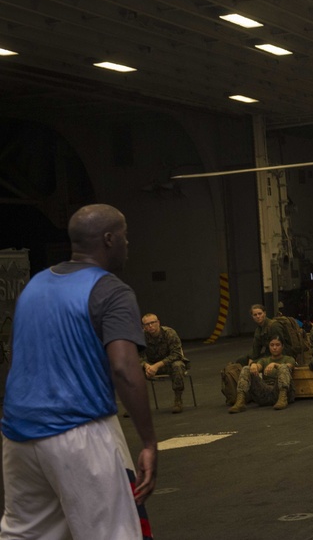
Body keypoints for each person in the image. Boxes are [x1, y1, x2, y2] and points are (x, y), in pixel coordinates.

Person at [1, 204, 156, 539]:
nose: (128, 245)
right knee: (111, 532)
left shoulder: (35, 286)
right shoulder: (111, 290)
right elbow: (124, 368)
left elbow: (16, 355)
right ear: (109, 239)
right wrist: (148, 441)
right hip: (79, 432)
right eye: (126, 237)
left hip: (18, 435)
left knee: (26, 534)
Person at [229, 336, 296, 413]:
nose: (274, 348)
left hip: (281, 391)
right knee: (246, 369)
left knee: (283, 367)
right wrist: (254, 365)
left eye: (277, 345)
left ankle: (282, 399)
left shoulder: (289, 359)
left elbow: (289, 366)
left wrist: (275, 364)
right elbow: (258, 367)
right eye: (272, 345)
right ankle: (240, 401)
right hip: (265, 393)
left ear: (282, 346)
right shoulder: (264, 360)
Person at [141, 313, 190, 414]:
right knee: (131, 370)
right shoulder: (141, 337)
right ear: (144, 327)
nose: (150, 326)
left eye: (152, 323)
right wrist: (147, 366)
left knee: (178, 365)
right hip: (150, 366)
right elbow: (135, 356)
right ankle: (135, 405)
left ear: (158, 323)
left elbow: (176, 354)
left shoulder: (169, 333)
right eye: (147, 324)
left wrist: (156, 366)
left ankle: (178, 400)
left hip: (168, 364)